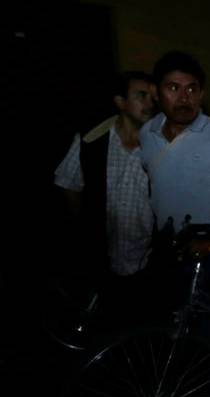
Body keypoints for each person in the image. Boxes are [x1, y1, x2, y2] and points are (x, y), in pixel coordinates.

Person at [139, 50, 210, 303]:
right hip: (170, 247)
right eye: (173, 88)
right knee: (175, 314)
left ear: (201, 94)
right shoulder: (147, 134)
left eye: (192, 89)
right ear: (155, 92)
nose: (184, 98)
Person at [53, 71, 157, 319]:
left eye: (153, 97)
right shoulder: (91, 140)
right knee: (104, 319)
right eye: (141, 95)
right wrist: (84, 222)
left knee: (142, 321)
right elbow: (68, 182)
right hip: (101, 255)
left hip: (148, 257)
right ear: (121, 102)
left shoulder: (163, 145)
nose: (150, 103)